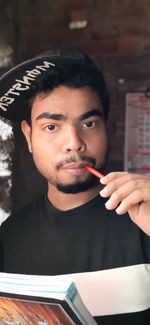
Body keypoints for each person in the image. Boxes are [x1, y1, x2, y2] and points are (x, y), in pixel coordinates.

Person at [0, 49, 149, 324]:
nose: (74, 142)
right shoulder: (7, 240)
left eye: (89, 123)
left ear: (107, 127)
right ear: (28, 136)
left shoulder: (144, 221)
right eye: (51, 127)